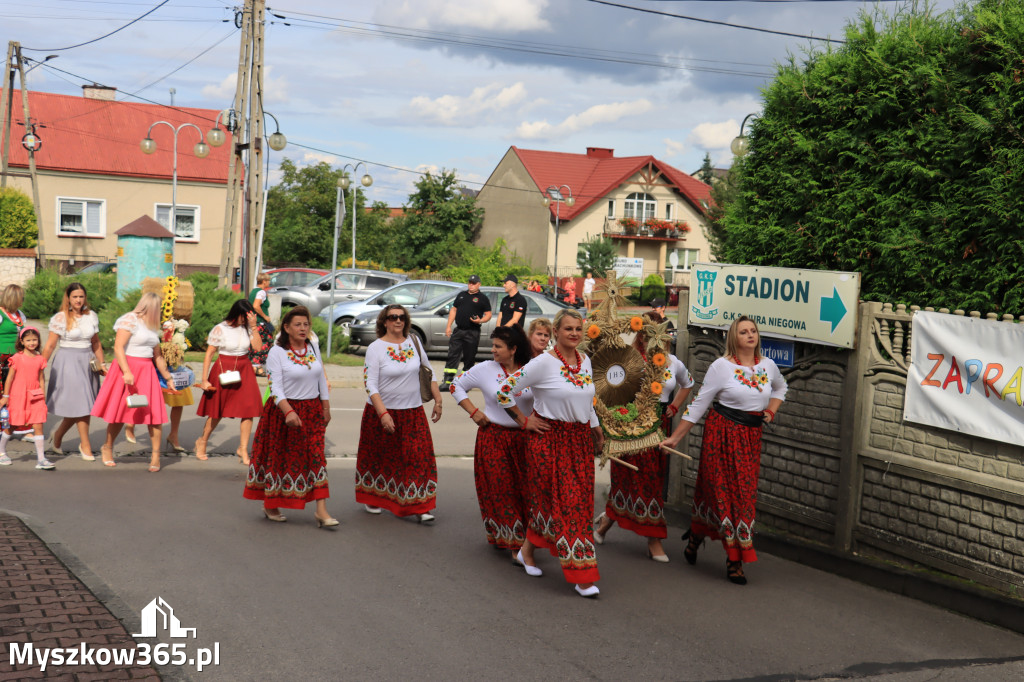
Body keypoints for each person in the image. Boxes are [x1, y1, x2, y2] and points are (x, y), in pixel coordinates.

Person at [660, 315, 787, 585]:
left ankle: (696, 536)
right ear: (734, 337)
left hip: (751, 439)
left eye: (753, 330)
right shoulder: (721, 367)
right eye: (744, 332)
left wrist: (771, 411)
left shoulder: (768, 365)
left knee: (741, 495)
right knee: (721, 493)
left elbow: (781, 387)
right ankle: (734, 561)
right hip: (721, 435)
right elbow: (699, 404)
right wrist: (675, 438)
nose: (750, 335)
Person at [497, 308, 604, 598]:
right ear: (555, 331)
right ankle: (582, 574)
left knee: (559, 501)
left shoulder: (586, 362)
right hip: (548, 440)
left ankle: (526, 552)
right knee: (571, 505)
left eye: (578, 329)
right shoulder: (543, 363)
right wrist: (524, 420)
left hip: (579, 440)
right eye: (568, 328)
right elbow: (504, 391)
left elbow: (588, 402)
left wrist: (596, 431)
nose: (574, 334)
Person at [594, 311, 694, 561]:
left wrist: (673, 407)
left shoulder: (672, 362)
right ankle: (639, 533)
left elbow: (689, 383)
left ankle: (621, 526)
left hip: (659, 425)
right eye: (649, 331)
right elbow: (609, 392)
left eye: (660, 331)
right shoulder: (627, 360)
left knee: (651, 480)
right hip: (630, 424)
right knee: (628, 477)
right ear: (641, 334)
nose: (655, 337)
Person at [244, 306, 335, 527]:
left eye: (306, 324)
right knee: (280, 458)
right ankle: (271, 503)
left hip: (312, 411)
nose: (303, 328)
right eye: (298, 324)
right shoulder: (277, 351)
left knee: (316, 458)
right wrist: (289, 412)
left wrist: (325, 407)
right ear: (287, 328)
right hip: (283, 412)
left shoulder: (312, 346)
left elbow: (321, 378)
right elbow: (275, 386)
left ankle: (321, 511)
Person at [450, 325, 533, 558]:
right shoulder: (486, 369)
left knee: (525, 491)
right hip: (493, 438)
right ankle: (514, 543)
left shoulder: (531, 370)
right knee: (501, 489)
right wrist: (473, 411)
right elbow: (456, 386)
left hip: (525, 439)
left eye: (498, 346)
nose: (493, 350)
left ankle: (524, 539)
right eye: (493, 345)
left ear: (514, 349)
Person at [356, 304, 443, 522]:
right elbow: (371, 385)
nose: (398, 321)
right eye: (393, 317)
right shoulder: (375, 348)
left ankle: (420, 505)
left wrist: (438, 399)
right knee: (381, 458)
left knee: (418, 457)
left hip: (412, 411)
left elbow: (428, 371)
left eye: (402, 317)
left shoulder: (413, 341)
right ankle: (374, 496)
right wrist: (383, 413)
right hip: (381, 412)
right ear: (384, 321)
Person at [90, 292, 175, 471]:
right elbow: (118, 347)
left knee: (154, 416)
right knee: (120, 412)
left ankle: (155, 455)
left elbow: (157, 356)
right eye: (158, 308)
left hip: (147, 371)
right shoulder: (130, 319)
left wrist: (168, 377)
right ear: (149, 306)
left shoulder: (153, 326)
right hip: (127, 368)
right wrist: (127, 371)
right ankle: (107, 447)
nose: (160, 311)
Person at [194, 299, 264, 464]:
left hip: (244, 367)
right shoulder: (221, 328)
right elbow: (210, 354)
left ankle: (243, 449)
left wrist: (254, 327)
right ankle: (202, 441)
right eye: (244, 316)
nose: (245, 320)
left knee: (249, 409)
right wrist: (204, 379)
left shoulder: (248, 327)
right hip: (223, 367)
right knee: (217, 410)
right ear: (236, 314)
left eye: (248, 317)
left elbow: (258, 348)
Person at [42, 283, 104, 461]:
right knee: (83, 403)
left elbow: (96, 342)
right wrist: (39, 365)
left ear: (85, 298)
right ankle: (85, 445)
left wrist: (102, 363)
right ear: (68, 298)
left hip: (88, 362)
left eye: (81, 296)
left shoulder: (91, 316)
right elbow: (50, 345)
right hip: (68, 362)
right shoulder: (60, 318)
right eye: (75, 296)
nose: (78, 300)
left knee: (81, 404)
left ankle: (58, 436)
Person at [0, 328, 54, 469]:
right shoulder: (17, 358)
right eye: (28, 340)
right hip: (18, 396)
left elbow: (41, 379)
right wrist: (5, 396)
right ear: (22, 342)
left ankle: (41, 459)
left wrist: (43, 396)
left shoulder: (40, 359)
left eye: (34, 340)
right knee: (12, 426)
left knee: (38, 426)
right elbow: (9, 379)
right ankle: (1, 452)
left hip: (35, 396)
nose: (32, 343)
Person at [441, 274, 491, 390]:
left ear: (479, 284)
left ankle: (466, 383)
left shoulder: (483, 298)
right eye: (469, 283)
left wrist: (480, 320)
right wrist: (448, 326)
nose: (471, 285)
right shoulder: (461, 295)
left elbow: (488, 314)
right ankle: (447, 381)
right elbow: (454, 310)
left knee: (469, 358)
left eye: (474, 283)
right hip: (459, 330)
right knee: (452, 355)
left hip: (472, 331)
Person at [249, 272, 274, 376]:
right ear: (264, 281)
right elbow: (256, 306)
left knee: (254, 343)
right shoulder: (261, 292)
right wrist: (265, 316)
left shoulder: (253, 291)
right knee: (265, 343)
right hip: (260, 322)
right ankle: (257, 366)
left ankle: (254, 365)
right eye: (268, 281)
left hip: (253, 321)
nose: (269, 283)